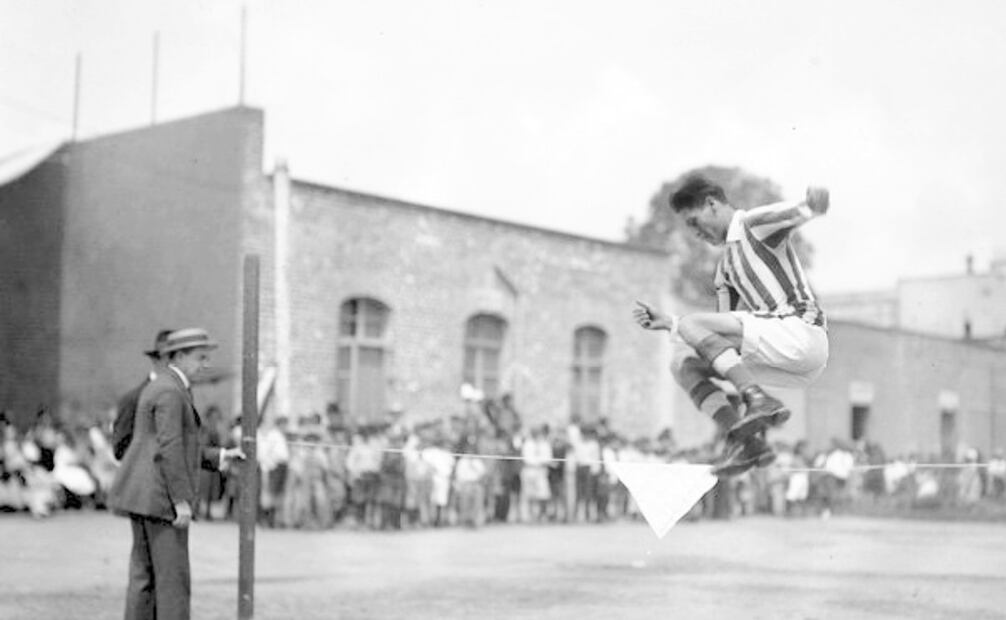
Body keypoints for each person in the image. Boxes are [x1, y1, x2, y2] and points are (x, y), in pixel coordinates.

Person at [634, 176, 830, 476]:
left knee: (690, 324)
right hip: (787, 364)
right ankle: (746, 442)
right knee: (682, 364)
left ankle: (758, 399)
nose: (695, 232)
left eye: (694, 221)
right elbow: (718, 345)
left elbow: (804, 210)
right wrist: (670, 324)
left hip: (801, 333)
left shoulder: (753, 224)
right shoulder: (723, 271)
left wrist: (816, 201)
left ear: (712, 204)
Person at [108, 328, 244, 620]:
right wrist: (180, 501)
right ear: (179, 357)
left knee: (143, 578)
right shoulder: (171, 391)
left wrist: (219, 456)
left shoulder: (162, 386)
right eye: (200, 357)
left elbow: (170, 444)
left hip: (141, 495)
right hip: (159, 499)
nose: (205, 364)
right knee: (173, 583)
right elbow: (169, 447)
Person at [112, 330, 173, 460]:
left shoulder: (180, 398)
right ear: (156, 360)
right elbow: (120, 450)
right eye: (170, 360)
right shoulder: (134, 400)